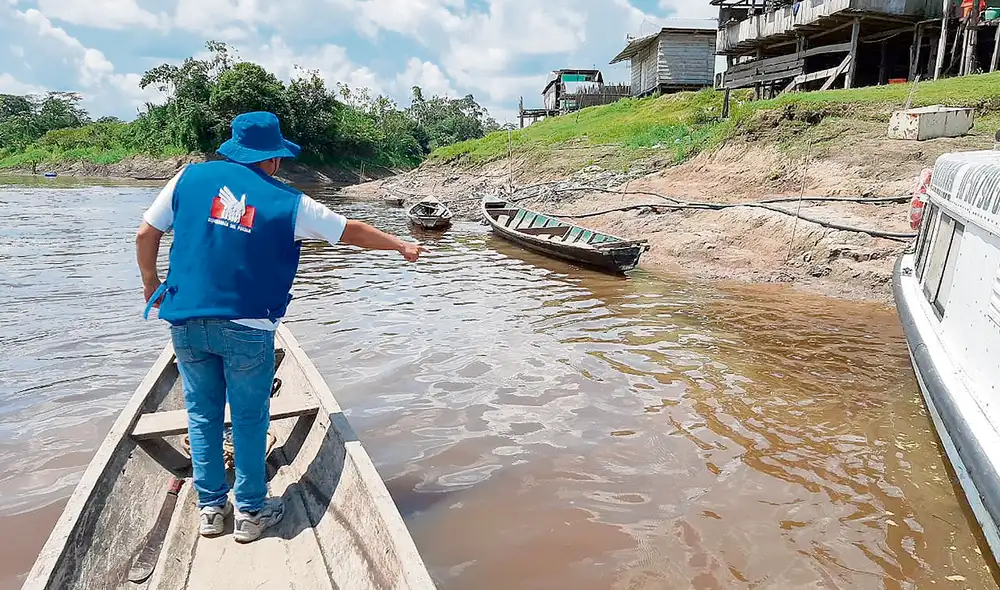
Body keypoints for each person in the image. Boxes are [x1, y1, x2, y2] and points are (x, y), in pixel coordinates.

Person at [135, 111, 424, 543]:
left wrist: (151, 285)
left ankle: (211, 509)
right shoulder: (290, 203)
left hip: (186, 320)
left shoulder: (187, 179)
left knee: (201, 414)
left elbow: (144, 235)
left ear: (234, 148)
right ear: (272, 159)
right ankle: (251, 511)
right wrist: (401, 244)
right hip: (248, 326)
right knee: (251, 418)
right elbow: (352, 231)